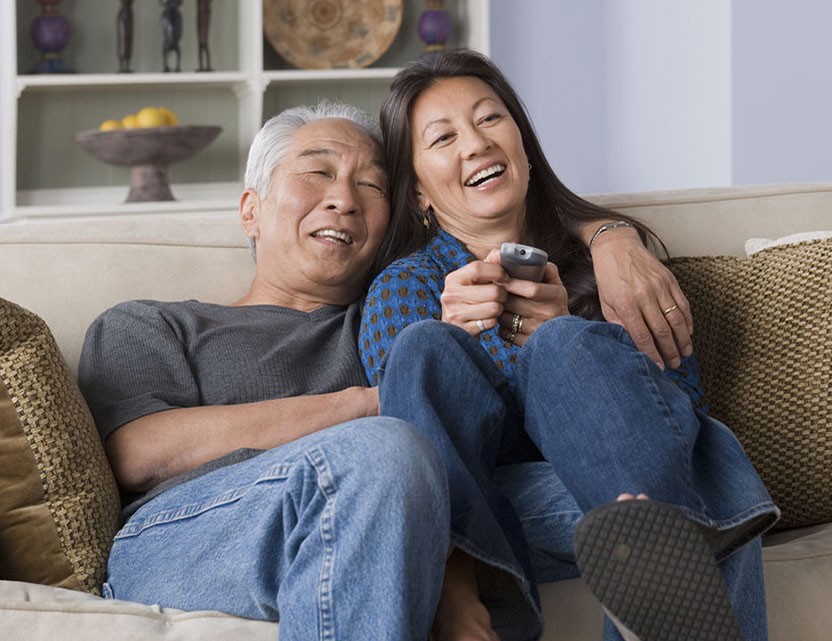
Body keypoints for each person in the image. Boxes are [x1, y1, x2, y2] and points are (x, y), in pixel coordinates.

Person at [359, 49, 779, 641]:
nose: (475, 144)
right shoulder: (406, 285)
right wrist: (468, 343)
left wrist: (576, 344)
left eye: (489, 119)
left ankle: (655, 567)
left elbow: (684, 411)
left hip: (624, 496)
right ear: (420, 195)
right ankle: (652, 555)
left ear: (524, 146)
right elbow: (404, 448)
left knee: (580, 358)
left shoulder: (613, 270)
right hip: (487, 505)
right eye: (442, 138)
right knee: (426, 347)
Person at [78, 102, 456, 641]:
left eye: (371, 187)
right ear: (251, 210)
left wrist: (607, 235)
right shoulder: (152, 322)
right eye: (318, 173)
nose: (344, 200)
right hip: (187, 536)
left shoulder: (393, 321)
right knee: (383, 449)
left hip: (383, 501)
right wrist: (363, 406)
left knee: (608, 492)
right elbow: (137, 454)